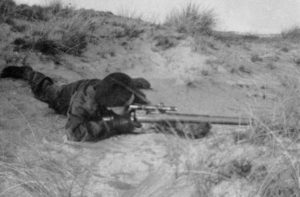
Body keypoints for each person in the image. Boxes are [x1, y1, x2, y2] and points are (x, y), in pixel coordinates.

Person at [1, 66, 151, 142]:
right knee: (45, 89)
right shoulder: (84, 103)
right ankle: (27, 72)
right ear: (110, 106)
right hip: (64, 96)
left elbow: (135, 99)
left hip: (99, 85)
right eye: (125, 106)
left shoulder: (117, 92)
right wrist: (116, 124)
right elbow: (74, 133)